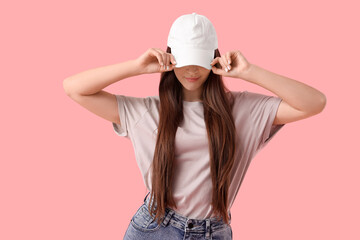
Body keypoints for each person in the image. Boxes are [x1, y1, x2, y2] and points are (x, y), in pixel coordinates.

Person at [63, 12, 326, 240]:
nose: (191, 69)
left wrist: (249, 71)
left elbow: (314, 102)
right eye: (184, 59)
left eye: (199, 61)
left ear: (213, 58)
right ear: (170, 58)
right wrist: (135, 67)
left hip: (214, 231)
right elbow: (74, 89)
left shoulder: (244, 110)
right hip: (154, 227)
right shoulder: (146, 111)